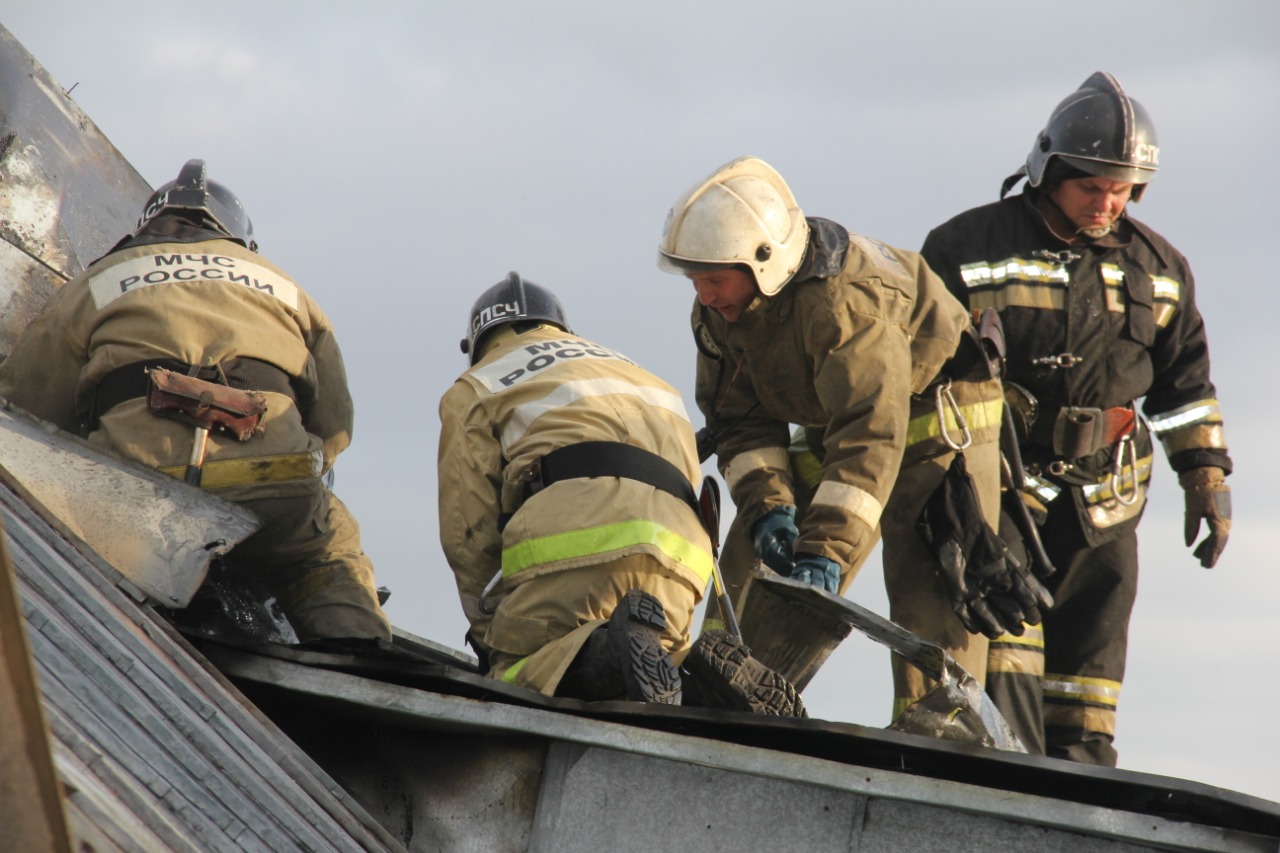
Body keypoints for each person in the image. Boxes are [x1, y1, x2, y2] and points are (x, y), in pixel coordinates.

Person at [920, 71, 1232, 766]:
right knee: (1009, 676)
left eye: (1122, 189)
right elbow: (919, 374)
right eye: (1092, 186)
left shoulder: (1162, 269)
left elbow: (1187, 383)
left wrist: (1206, 475)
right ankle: (1007, 801)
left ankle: (1080, 812)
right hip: (1000, 492)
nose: (1107, 202)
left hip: (1107, 503)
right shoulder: (964, 248)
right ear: (1050, 169)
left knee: (1087, 696)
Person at [656, 156, 1030, 725]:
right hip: (849, 418)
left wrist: (824, 551)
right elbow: (740, 422)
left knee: (930, 589)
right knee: (750, 566)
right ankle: (721, 701)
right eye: (694, 280)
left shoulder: (844, 304)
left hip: (942, 410)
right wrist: (769, 511)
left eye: (713, 279)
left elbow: (868, 434)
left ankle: (938, 739)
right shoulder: (721, 313)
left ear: (764, 263)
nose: (704, 296)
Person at [0, 159, 392, 648]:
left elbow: (29, 408)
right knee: (325, 550)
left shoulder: (95, 283)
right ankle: (357, 650)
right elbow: (334, 425)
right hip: (271, 476)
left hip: (137, 487)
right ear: (238, 239)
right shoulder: (288, 289)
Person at [437, 271, 806, 715]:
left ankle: (610, 650)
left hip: (572, 544)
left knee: (521, 670)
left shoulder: (479, 383)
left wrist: (486, 630)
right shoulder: (639, 374)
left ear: (478, 342)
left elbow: (468, 528)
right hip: (683, 560)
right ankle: (701, 678)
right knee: (659, 663)